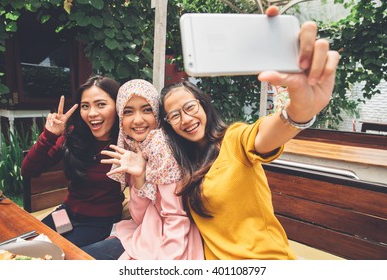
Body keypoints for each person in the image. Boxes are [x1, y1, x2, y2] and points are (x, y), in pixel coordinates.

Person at [158, 7, 340, 259]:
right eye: (175, 115)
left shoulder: (234, 139)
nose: (186, 119)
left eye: (190, 107)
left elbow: (267, 134)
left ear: (204, 107)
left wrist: (299, 112)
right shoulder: (182, 164)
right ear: (169, 125)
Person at [82, 79, 204, 260]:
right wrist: (139, 177)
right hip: (146, 232)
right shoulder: (137, 147)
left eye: (147, 110)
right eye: (128, 112)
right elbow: (139, 217)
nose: (138, 120)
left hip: (172, 245)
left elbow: (177, 218)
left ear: (157, 113)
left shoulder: (162, 147)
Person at [21, 75, 124, 248]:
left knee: (55, 255)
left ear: (118, 107)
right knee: (27, 245)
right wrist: (49, 135)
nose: (92, 113)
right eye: (85, 106)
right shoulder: (74, 136)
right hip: (66, 213)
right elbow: (28, 171)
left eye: (101, 104)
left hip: (99, 222)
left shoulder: (126, 143)